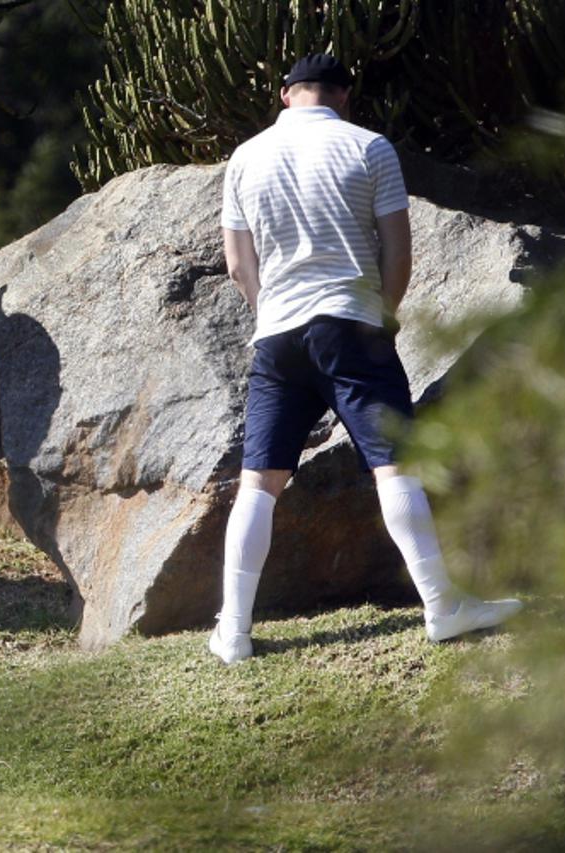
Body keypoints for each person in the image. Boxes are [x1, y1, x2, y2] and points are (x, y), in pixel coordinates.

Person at [210, 53, 522, 664]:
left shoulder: (244, 158)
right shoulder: (370, 147)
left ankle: (234, 631)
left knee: (260, 481)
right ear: (344, 97)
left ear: (284, 95)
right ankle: (442, 605)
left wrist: (266, 310)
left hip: (276, 335)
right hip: (352, 323)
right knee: (394, 466)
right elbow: (397, 252)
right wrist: (381, 313)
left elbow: (238, 265)